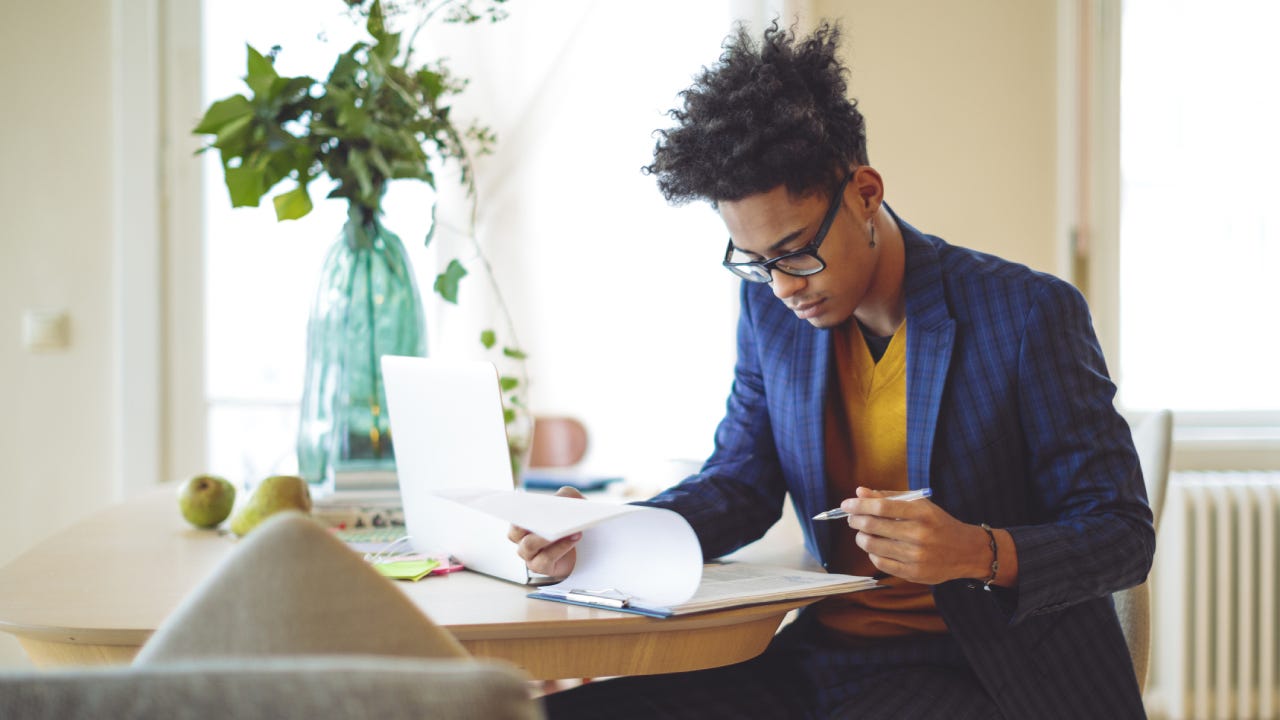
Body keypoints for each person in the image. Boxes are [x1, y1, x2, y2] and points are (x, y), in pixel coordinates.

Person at [509, 20, 1154, 720]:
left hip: (987, 673)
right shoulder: (771, 319)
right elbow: (739, 485)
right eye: (755, 262)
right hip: (827, 659)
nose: (782, 284)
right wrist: (605, 532)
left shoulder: (1027, 314)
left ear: (866, 195)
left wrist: (977, 551)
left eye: (794, 251)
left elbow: (1121, 533)